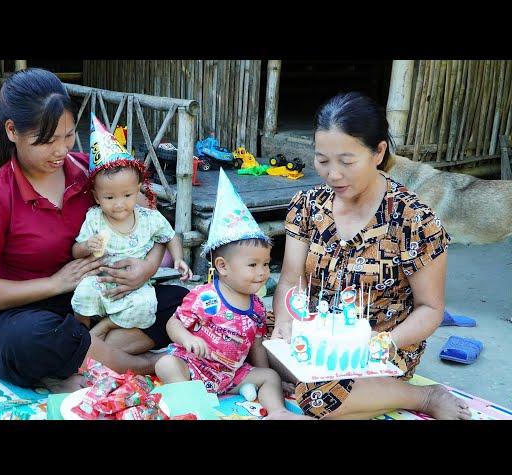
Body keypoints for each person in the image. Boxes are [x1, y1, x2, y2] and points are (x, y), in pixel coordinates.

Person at [0, 68, 188, 393]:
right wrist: (54, 283)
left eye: (67, 136)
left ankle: (84, 357)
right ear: (12, 131)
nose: (61, 150)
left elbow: (154, 224)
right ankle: (143, 364)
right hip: (28, 314)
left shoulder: (90, 174)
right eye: (47, 141)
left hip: (100, 299)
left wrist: (146, 269)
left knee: (182, 302)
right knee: (27, 340)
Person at [271, 92, 472, 420]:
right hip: (318, 339)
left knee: (320, 395)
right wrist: (284, 323)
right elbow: (291, 280)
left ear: (378, 152)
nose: (332, 174)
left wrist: (384, 342)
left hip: (379, 349)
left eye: (346, 162)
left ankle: (420, 396)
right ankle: (338, 394)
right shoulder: (308, 205)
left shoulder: (413, 219)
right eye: (323, 161)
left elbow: (431, 308)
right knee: (237, 331)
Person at [155, 170, 310, 420]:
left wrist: (265, 375)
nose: (262, 272)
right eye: (253, 265)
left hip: (231, 374)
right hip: (195, 367)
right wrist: (186, 338)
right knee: (165, 364)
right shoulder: (204, 297)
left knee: (270, 375)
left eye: (265, 264)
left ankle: (279, 412)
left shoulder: (257, 307)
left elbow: (256, 346)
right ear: (223, 267)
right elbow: (174, 323)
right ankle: (194, 409)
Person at [71, 115, 191, 344]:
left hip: (136, 286)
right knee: (83, 293)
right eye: (109, 197)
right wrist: (87, 246)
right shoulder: (95, 218)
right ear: (96, 196)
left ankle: (106, 327)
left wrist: (179, 259)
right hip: (101, 280)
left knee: (145, 305)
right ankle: (80, 332)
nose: (119, 204)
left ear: (138, 191)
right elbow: (76, 251)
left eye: (127, 195)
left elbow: (170, 236)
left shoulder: (148, 218)